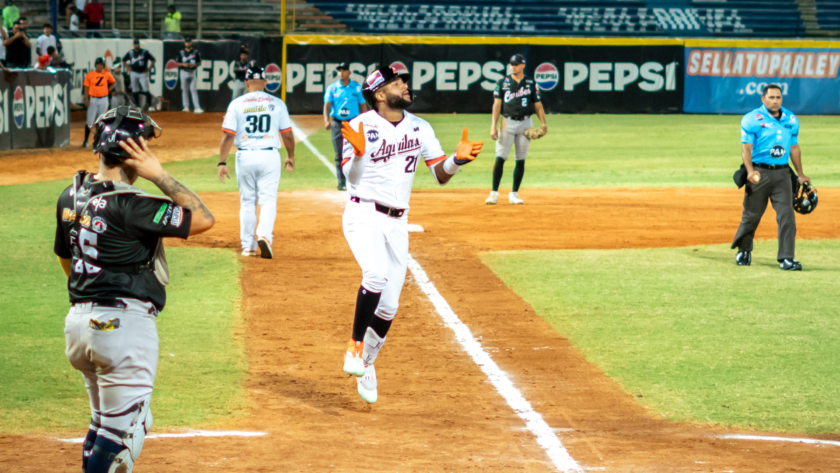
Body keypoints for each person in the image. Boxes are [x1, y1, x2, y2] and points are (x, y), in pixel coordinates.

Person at [54, 106, 214, 473]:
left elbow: (66, 257)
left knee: (102, 426)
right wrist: (158, 174)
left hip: (78, 324)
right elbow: (203, 218)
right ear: (134, 150)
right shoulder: (132, 204)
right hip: (122, 328)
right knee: (122, 436)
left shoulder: (70, 195)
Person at [340, 67, 483, 403]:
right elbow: (352, 177)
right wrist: (358, 155)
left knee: (389, 306)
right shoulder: (360, 126)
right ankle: (355, 346)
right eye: (396, 83)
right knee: (375, 275)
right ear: (379, 94)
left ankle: (368, 361)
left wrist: (456, 160)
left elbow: (440, 174)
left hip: (398, 222)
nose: (405, 86)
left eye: (403, 81)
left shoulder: (420, 127)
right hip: (363, 214)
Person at [218, 66, 295, 258]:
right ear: (266, 82)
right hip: (269, 155)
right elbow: (287, 134)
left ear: (246, 83)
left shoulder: (236, 103)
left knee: (247, 202)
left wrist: (222, 162)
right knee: (268, 200)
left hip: (245, 156)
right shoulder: (277, 103)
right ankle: (264, 235)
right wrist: (290, 155)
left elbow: (228, 135)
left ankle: (248, 246)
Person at [732, 84, 810, 270]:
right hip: (760, 173)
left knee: (787, 214)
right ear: (763, 99)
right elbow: (746, 149)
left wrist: (800, 174)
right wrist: (750, 172)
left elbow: (794, 148)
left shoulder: (791, 119)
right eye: (771, 97)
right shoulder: (752, 119)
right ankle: (744, 250)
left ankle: (787, 258)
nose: (775, 101)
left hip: (783, 174)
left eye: (778, 97)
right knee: (751, 216)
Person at [486, 53, 548, 205]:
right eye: (512, 64)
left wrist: (543, 124)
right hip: (506, 122)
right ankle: (494, 193)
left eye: (516, 64)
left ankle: (514, 194)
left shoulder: (531, 83)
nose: (513, 67)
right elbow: (497, 106)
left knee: (520, 160)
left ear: (523, 65)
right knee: (500, 157)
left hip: (526, 123)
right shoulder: (502, 83)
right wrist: (493, 126)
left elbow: (538, 105)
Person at [323, 62, 367, 191]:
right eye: (339, 70)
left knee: (357, 152)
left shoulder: (357, 88)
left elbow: (362, 106)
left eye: (344, 70)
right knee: (339, 154)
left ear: (349, 72)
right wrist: (326, 120)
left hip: (353, 123)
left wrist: (364, 122)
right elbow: (327, 105)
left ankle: (357, 180)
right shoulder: (332, 88)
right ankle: (341, 182)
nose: (341, 73)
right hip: (338, 123)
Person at [82, 57, 115, 147]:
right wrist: (86, 99)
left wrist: (108, 90)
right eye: (98, 64)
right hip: (93, 99)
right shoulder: (90, 75)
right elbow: (86, 87)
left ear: (103, 65)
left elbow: (113, 82)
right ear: (95, 65)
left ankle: (99, 141)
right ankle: (85, 141)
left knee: (101, 121)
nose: (99, 66)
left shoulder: (107, 74)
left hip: (104, 99)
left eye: (101, 64)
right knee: (90, 120)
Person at [123, 39, 155, 111]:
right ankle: (138, 106)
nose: (136, 45)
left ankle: (150, 106)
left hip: (142, 73)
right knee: (135, 89)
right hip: (133, 72)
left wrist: (150, 68)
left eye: (137, 44)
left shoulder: (144, 52)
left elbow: (153, 59)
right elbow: (124, 59)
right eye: (135, 44)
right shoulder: (131, 52)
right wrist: (127, 67)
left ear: (139, 44)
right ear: (133, 45)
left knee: (146, 89)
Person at [175, 38, 202, 113]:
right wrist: (184, 64)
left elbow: (199, 62)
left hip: (192, 72)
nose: (188, 43)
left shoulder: (195, 52)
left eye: (189, 42)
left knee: (193, 90)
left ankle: (197, 107)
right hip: (184, 72)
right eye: (186, 42)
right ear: (184, 43)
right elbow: (177, 63)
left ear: (191, 43)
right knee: (184, 90)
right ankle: (186, 106)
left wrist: (194, 65)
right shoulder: (181, 52)